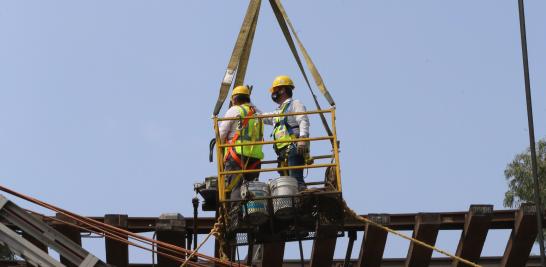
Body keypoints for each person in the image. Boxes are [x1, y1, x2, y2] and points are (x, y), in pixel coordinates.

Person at [263, 75, 310, 190]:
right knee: (288, 183)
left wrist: (303, 139)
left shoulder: (295, 104)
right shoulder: (279, 110)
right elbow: (263, 117)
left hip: (294, 147)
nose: (273, 93)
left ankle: (302, 198)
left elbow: (303, 120)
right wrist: (250, 107)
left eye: (275, 90)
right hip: (283, 152)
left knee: (295, 180)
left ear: (282, 90)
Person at [218, 85, 264, 200]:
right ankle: (252, 213)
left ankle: (236, 216)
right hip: (255, 158)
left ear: (234, 99)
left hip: (237, 156)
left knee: (236, 188)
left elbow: (220, 134)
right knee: (251, 189)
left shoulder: (234, 110)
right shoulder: (258, 115)